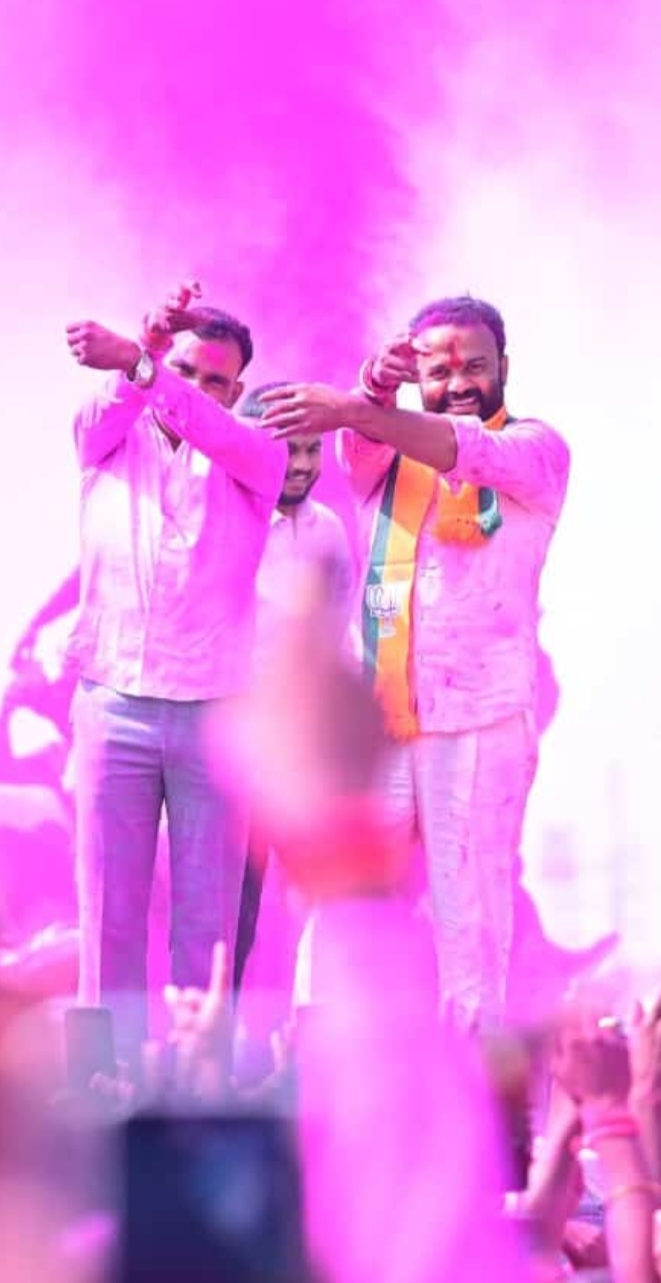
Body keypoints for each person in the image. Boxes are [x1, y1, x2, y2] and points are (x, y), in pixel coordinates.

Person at [259, 293, 569, 1035]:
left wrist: (355, 406)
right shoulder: (382, 462)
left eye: (474, 367)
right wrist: (373, 385)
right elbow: (360, 443)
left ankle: (476, 1081)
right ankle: (326, 1062)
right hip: (384, 720)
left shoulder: (536, 452)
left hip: (481, 720)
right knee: (343, 898)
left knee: (472, 920)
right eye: (439, 371)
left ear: (504, 367)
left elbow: (467, 450)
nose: (458, 383)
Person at [63, 285, 287, 1056]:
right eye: (184, 369)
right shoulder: (107, 433)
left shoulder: (256, 456)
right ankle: (104, 1090)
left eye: (215, 381)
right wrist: (140, 362)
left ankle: (200, 1091)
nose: (194, 388)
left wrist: (144, 362)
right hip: (112, 702)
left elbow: (208, 425)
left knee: (206, 924)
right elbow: (110, 404)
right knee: (108, 920)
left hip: (216, 715)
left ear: (237, 391)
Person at [231, 384, 357, 1002]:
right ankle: (214, 1042)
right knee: (236, 910)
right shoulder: (224, 518)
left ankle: (315, 1036)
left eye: (312, 450)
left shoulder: (328, 531)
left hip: (306, 753)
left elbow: (339, 631)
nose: (303, 465)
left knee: (324, 906)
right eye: (289, 450)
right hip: (235, 749)